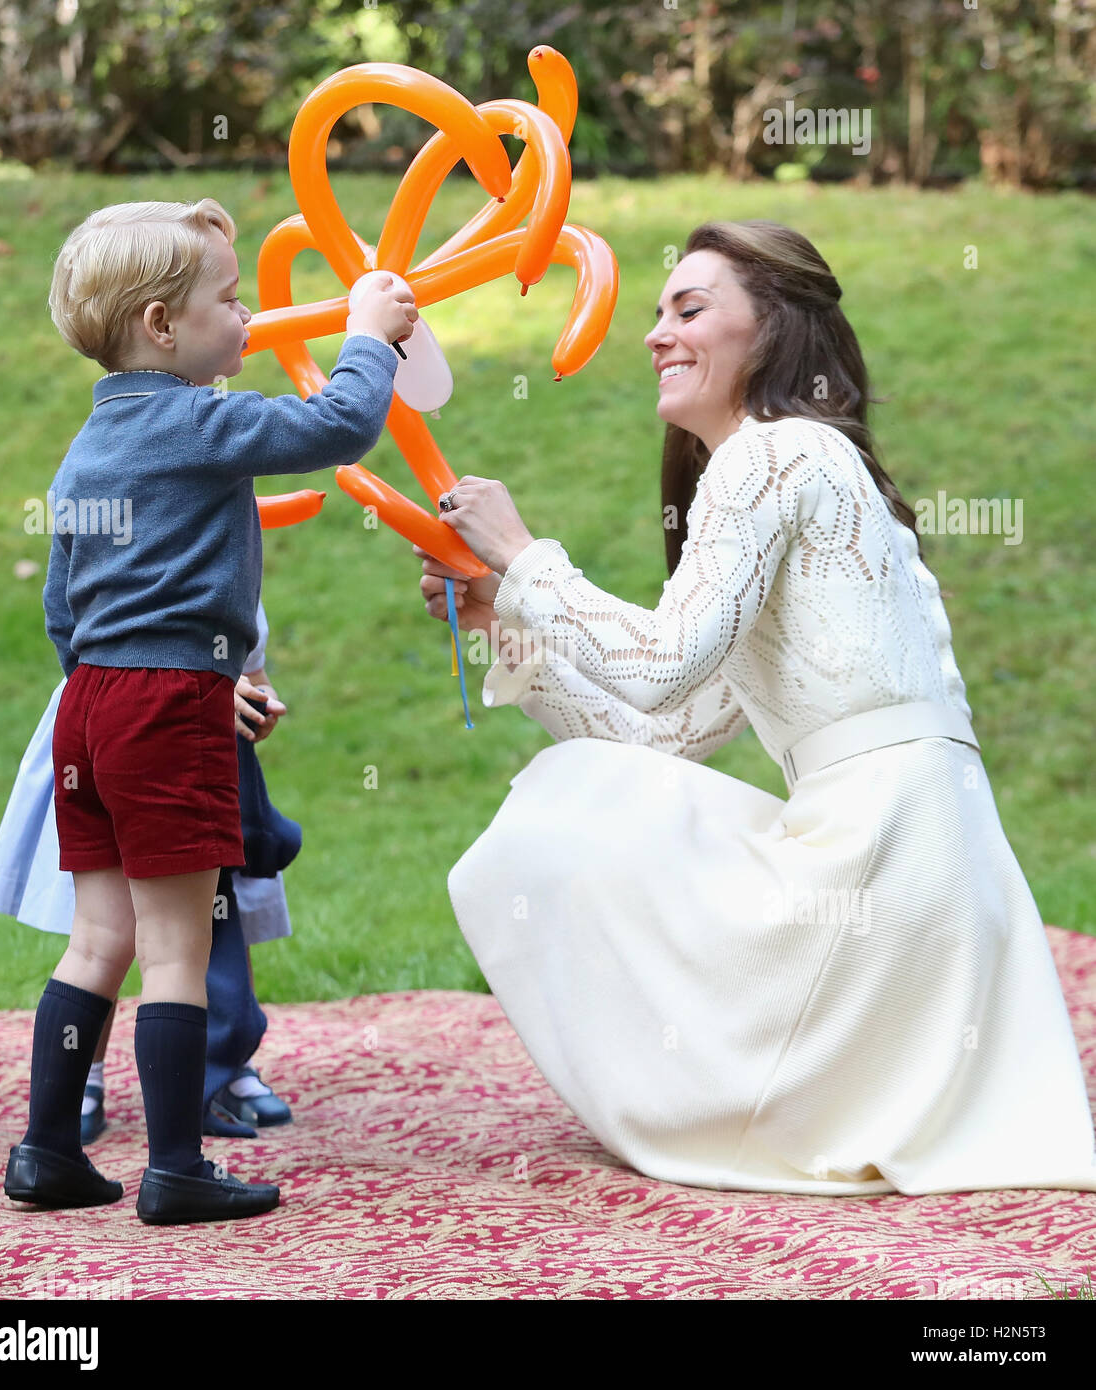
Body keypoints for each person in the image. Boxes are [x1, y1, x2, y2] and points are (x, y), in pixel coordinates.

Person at [415, 219, 1096, 1197]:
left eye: (689, 308)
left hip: (882, 858)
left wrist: (526, 559)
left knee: (558, 812)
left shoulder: (776, 455)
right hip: (925, 877)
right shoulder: (802, 468)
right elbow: (659, 736)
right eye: (657, 311)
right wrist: (503, 621)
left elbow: (658, 665)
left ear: (771, 329)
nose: (656, 332)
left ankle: (706, 1095)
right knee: (589, 785)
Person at [4, 197, 415, 1224]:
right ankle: (178, 1165)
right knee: (178, 945)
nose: (246, 322)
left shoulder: (90, 441)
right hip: (164, 706)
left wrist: (125, 684)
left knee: (97, 939)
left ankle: (47, 1148)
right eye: (227, 302)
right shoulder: (199, 416)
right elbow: (337, 424)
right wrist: (367, 337)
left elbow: (66, 603)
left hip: (89, 703)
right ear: (160, 325)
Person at [0, 601, 297, 1145]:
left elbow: (250, 662)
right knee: (116, 932)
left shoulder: (231, 548)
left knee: (215, 910)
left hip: (190, 735)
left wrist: (246, 701)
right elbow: (65, 615)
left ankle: (222, 1063)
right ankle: (93, 1087)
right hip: (131, 720)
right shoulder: (136, 534)